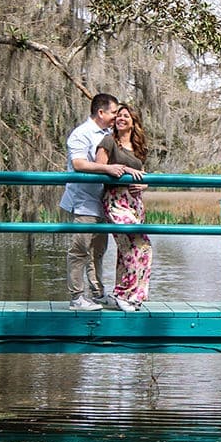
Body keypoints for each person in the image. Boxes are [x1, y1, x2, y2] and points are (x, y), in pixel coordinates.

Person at [60, 92, 144, 310]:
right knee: (80, 249)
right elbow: (78, 164)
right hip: (84, 201)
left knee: (98, 251)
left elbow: (130, 162)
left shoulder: (109, 134)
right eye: (114, 112)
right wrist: (108, 168)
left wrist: (141, 182)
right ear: (101, 112)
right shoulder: (81, 134)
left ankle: (97, 294)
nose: (117, 116)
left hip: (104, 202)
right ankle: (77, 298)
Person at [95, 103, 152, 310]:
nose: (121, 118)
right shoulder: (109, 141)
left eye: (126, 116)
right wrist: (124, 169)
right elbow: (99, 167)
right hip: (115, 200)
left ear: (133, 122)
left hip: (135, 202)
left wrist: (144, 185)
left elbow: (143, 174)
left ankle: (130, 296)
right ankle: (124, 294)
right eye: (118, 115)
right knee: (141, 244)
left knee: (127, 249)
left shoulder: (138, 147)